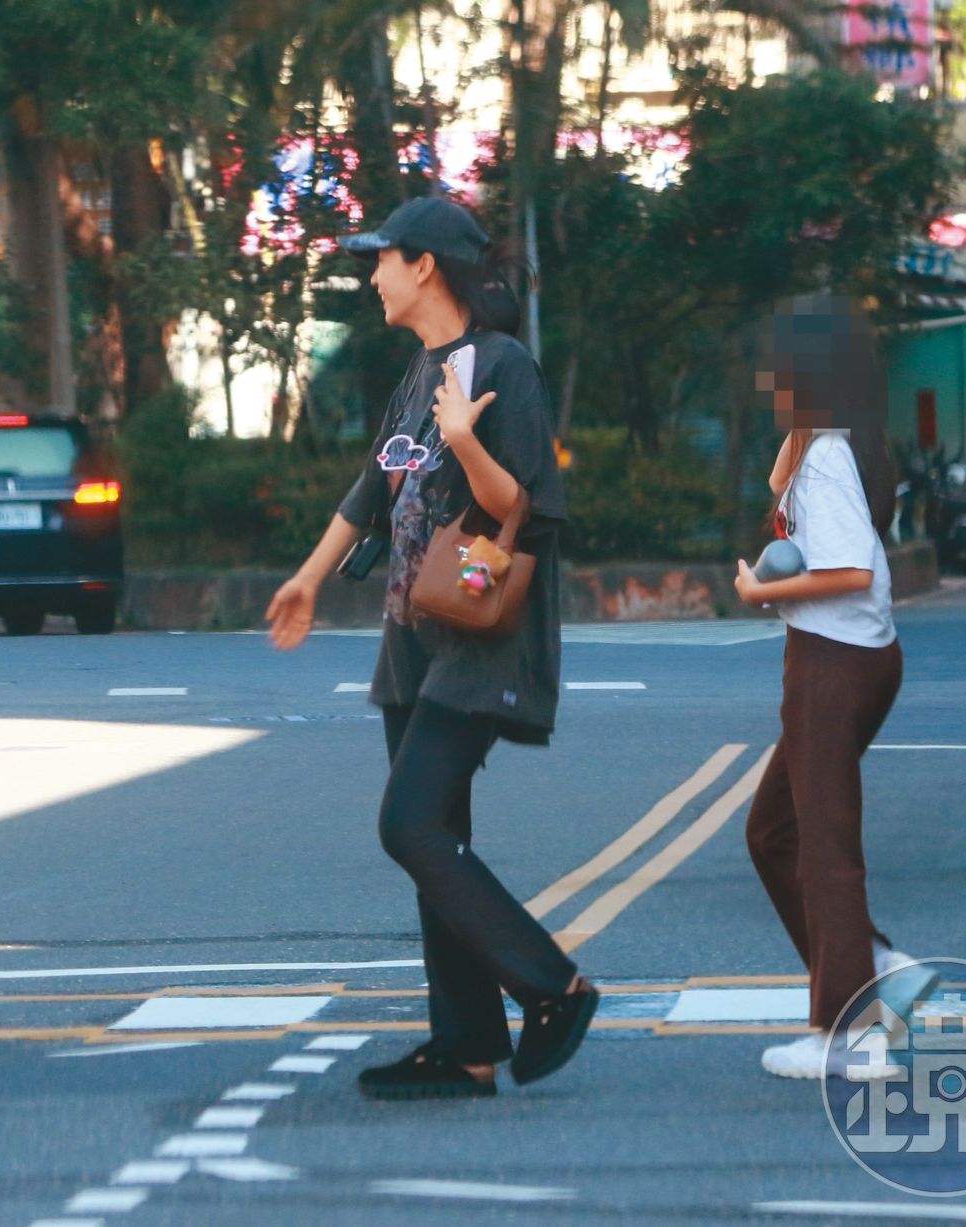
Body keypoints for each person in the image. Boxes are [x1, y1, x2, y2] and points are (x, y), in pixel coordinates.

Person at [266, 196, 597, 1099]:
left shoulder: (505, 368)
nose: (371, 276)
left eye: (381, 259)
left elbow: (527, 507)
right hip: (412, 643)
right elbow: (369, 490)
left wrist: (464, 442)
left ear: (425, 266)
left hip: (480, 638)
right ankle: (467, 1044)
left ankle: (553, 985)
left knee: (407, 822)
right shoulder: (418, 374)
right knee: (434, 839)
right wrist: (307, 576)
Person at [734, 294, 937, 1080]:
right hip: (848, 655)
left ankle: (845, 1035)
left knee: (824, 848)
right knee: (773, 832)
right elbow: (776, 491)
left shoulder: (831, 456)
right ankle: (880, 970)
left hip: (833, 659)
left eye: (781, 359)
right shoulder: (824, 443)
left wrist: (762, 594)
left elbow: (847, 568)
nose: (769, 373)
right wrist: (799, 426)